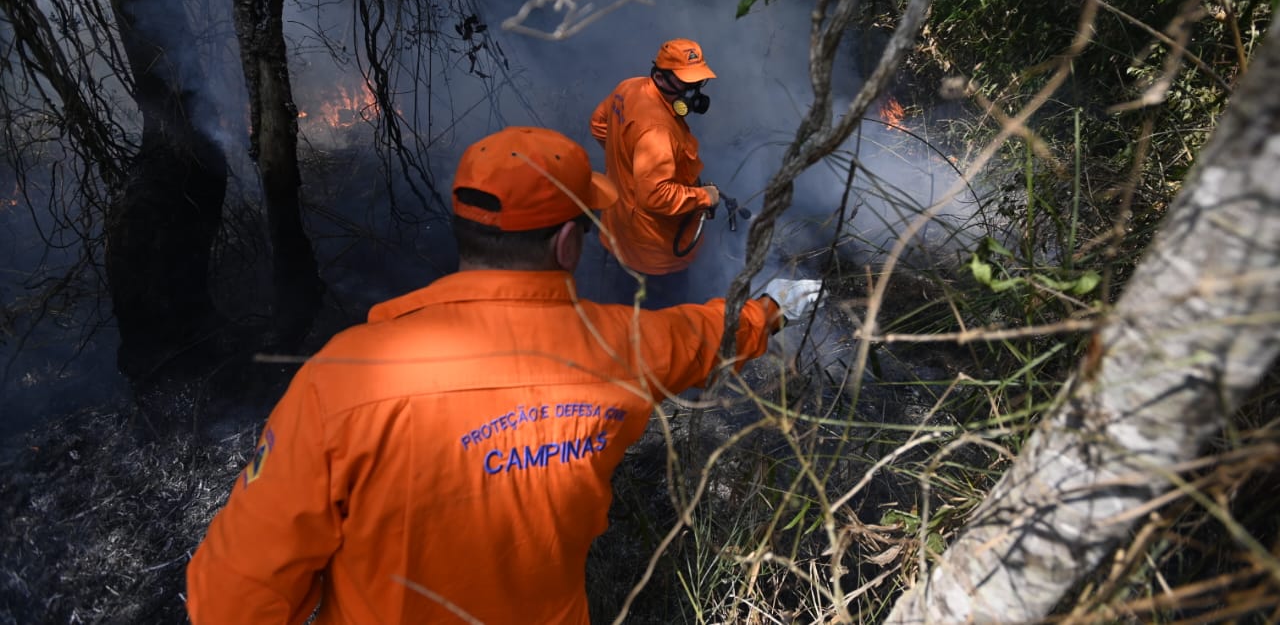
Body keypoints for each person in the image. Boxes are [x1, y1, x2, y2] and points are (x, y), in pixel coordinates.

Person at [185, 125, 822, 625]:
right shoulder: (621, 348)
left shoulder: (344, 378)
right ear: (567, 245)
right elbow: (703, 337)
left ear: (465, 230)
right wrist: (772, 310)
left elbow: (232, 594)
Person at [589, 38, 720, 296]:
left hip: (617, 226)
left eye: (697, 82)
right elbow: (656, 195)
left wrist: (627, 164)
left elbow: (599, 123)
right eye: (686, 82)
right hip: (654, 255)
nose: (692, 91)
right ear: (660, 77)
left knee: (618, 303)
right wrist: (705, 197)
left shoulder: (629, 88)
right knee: (659, 316)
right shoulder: (658, 130)